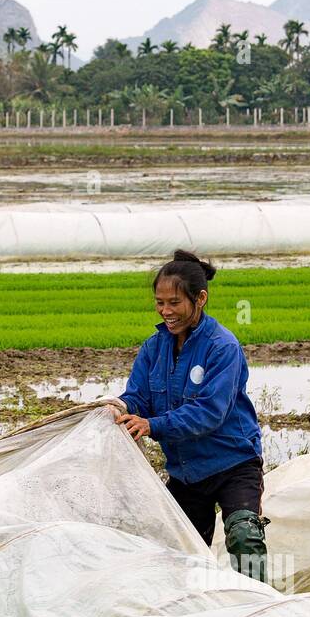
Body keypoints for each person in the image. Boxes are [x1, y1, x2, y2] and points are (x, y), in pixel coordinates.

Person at [115, 249, 269, 581]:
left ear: (200, 298)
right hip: (187, 472)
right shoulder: (153, 349)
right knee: (178, 552)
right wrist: (118, 409)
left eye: (174, 303)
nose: (165, 311)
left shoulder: (222, 347)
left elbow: (208, 413)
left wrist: (152, 425)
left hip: (233, 463)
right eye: (159, 303)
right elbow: (137, 397)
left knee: (245, 535)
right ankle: (193, 610)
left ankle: (260, 603)